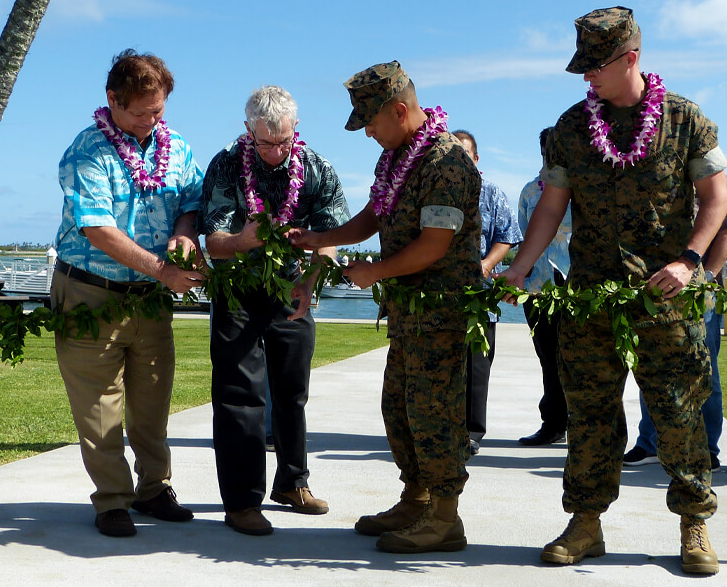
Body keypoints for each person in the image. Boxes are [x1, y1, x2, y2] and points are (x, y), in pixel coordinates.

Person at [498, 7, 727, 575]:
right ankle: (585, 523)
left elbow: (717, 200)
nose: (586, 77)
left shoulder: (685, 119)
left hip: (664, 297)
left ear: (630, 58)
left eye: (595, 65)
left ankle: (693, 522)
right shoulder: (572, 127)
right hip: (590, 299)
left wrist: (689, 262)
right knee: (591, 413)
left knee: (677, 413)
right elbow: (551, 207)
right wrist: (521, 267)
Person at [289, 61, 481, 553]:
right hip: (408, 313)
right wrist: (321, 238)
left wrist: (375, 271)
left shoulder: (447, 162)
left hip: (440, 311)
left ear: (400, 110)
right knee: (399, 407)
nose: (368, 132)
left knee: (434, 412)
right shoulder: (395, 158)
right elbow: (375, 214)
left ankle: (445, 516)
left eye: (371, 122)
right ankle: (416, 498)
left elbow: (435, 244)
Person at [52, 49, 204, 537]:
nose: (150, 120)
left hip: (150, 298)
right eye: (140, 111)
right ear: (112, 100)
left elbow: (193, 200)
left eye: (158, 110)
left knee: (153, 397)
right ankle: (112, 499)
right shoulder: (86, 151)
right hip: (91, 293)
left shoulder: (175, 146)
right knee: (100, 406)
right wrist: (163, 270)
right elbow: (96, 228)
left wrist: (185, 232)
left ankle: (155, 489)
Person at [198, 85, 350, 535]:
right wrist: (245, 240)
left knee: (292, 391)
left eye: (284, 141)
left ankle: (292, 483)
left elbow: (333, 235)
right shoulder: (226, 164)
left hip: (291, 287)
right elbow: (214, 243)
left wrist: (309, 281)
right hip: (237, 288)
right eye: (266, 143)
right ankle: (242, 502)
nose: (276, 151)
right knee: (240, 396)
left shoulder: (317, 168)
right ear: (248, 131)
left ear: (295, 130)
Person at [626, 186, 727, 469]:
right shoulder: (653, 174)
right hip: (657, 290)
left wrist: (707, 278)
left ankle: (707, 448)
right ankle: (650, 443)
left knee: (705, 371)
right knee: (651, 366)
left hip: (699, 292)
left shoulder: (714, 181)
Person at [453, 129, 523, 455]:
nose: (459, 159)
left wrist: (486, 264)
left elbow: (507, 235)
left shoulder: (491, 193)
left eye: (465, 153)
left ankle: (472, 433)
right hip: (441, 295)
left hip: (480, 295)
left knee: (477, 367)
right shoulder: (435, 189)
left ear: (476, 158)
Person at [516, 127, 571, 447]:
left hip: (579, 289)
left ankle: (584, 424)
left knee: (579, 358)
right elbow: (527, 234)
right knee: (548, 358)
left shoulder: (583, 188)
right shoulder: (529, 191)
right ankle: (553, 424)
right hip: (538, 287)